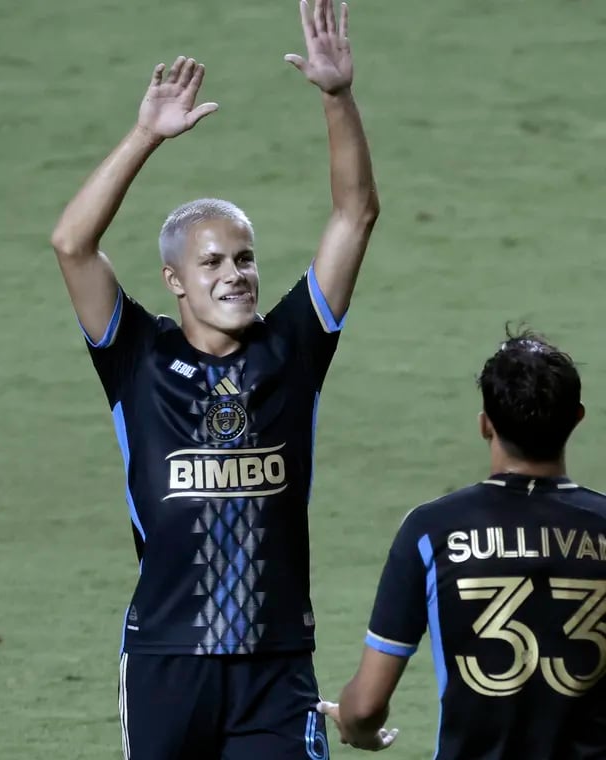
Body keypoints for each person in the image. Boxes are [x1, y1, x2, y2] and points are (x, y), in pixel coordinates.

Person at [50, 0, 378, 756]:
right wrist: (145, 136)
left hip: (276, 666)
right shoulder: (135, 354)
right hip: (166, 658)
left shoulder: (292, 347)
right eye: (213, 262)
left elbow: (354, 214)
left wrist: (337, 97)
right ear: (173, 279)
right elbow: (72, 243)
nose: (236, 275)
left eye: (245, 258)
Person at [319, 329, 606, 758]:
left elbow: (366, 706)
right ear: (577, 418)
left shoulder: (431, 530)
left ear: (485, 423)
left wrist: (356, 726)